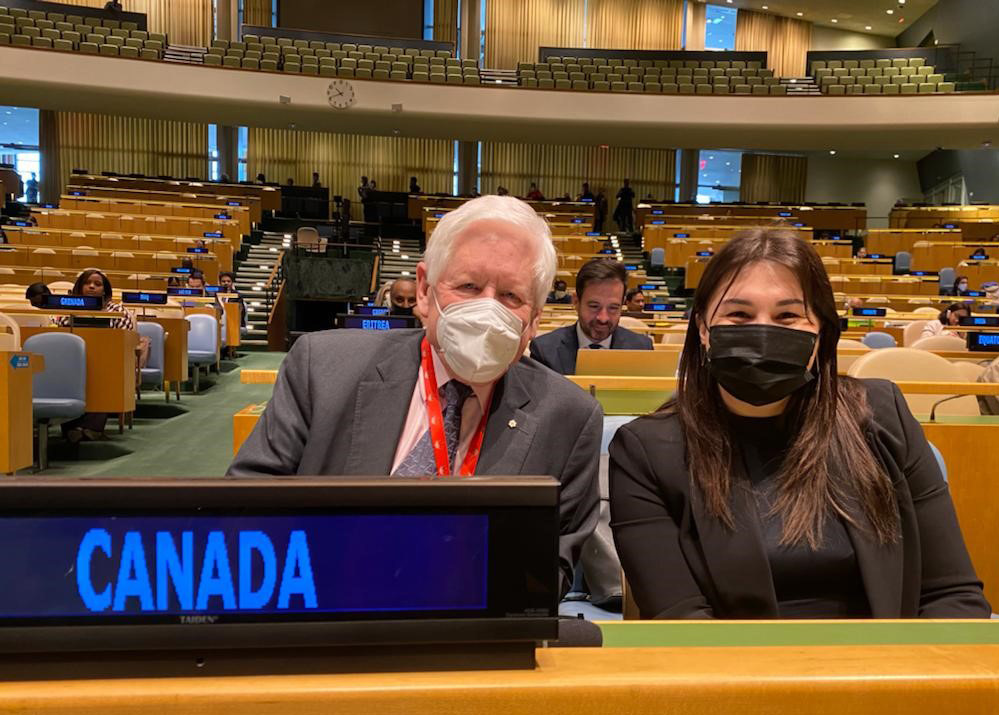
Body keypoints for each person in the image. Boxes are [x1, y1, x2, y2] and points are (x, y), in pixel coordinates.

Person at [609, 228, 990, 619]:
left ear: (821, 332)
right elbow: (681, 622)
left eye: (788, 316)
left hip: (888, 669)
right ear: (704, 329)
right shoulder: (646, 451)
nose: (763, 332)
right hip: (735, 673)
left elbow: (952, 596)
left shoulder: (883, 415)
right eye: (738, 315)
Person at [228, 195, 601, 595]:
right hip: (323, 614)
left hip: (469, 636)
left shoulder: (570, 417)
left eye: (511, 296)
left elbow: (549, 570)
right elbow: (244, 511)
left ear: (534, 320)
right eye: (469, 286)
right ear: (424, 291)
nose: (486, 309)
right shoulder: (321, 367)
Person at [530, 259, 653, 375]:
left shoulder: (642, 349)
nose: (603, 318)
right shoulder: (544, 351)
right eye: (594, 306)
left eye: (613, 308)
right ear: (576, 301)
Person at [58, 269, 137, 442]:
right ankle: (73, 427)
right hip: (72, 362)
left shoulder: (117, 311)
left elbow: (124, 340)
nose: (92, 287)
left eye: (98, 284)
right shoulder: (68, 306)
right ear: (80, 286)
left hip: (107, 361)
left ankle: (91, 428)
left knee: (102, 374)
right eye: (88, 283)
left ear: (105, 290)